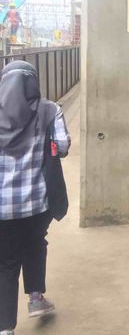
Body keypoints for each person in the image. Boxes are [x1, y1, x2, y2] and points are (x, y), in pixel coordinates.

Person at [0, 61, 71, 335]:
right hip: (37, 203)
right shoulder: (50, 109)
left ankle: (5, 328)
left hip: (2, 208)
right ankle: (36, 299)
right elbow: (62, 147)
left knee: (6, 262)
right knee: (35, 244)